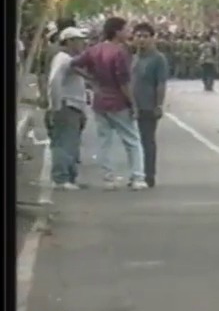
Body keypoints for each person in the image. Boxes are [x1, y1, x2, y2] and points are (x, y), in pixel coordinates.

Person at [71, 17, 147, 190]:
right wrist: (132, 103)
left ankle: (109, 178)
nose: (129, 33)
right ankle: (137, 177)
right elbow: (123, 82)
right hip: (118, 100)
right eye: (126, 29)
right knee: (132, 140)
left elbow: (74, 64)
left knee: (105, 140)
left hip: (100, 100)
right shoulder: (119, 52)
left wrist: (91, 80)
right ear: (117, 31)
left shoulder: (94, 50)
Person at [48, 27, 89, 190]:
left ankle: (70, 178)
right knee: (63, 143)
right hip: (66, 105)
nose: (82, 44)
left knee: (71, 143)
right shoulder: (62, 58)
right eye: (79, 40)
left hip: (75, 105)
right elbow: (54, 82)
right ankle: (61, 178)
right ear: (70, 41)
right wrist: (55, 105)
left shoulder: (70, 60)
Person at [132, 22, 169, 188]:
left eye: (145, 36)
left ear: (152, 39)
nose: (141, 40)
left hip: (148, 105)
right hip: (132, 106)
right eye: (138, 36)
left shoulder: (158, 59)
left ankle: (149, 175)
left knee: (147, 141)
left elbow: (161, 83)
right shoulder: (132, 58)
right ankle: (136, 174)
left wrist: (159, 105)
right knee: (133, 142)